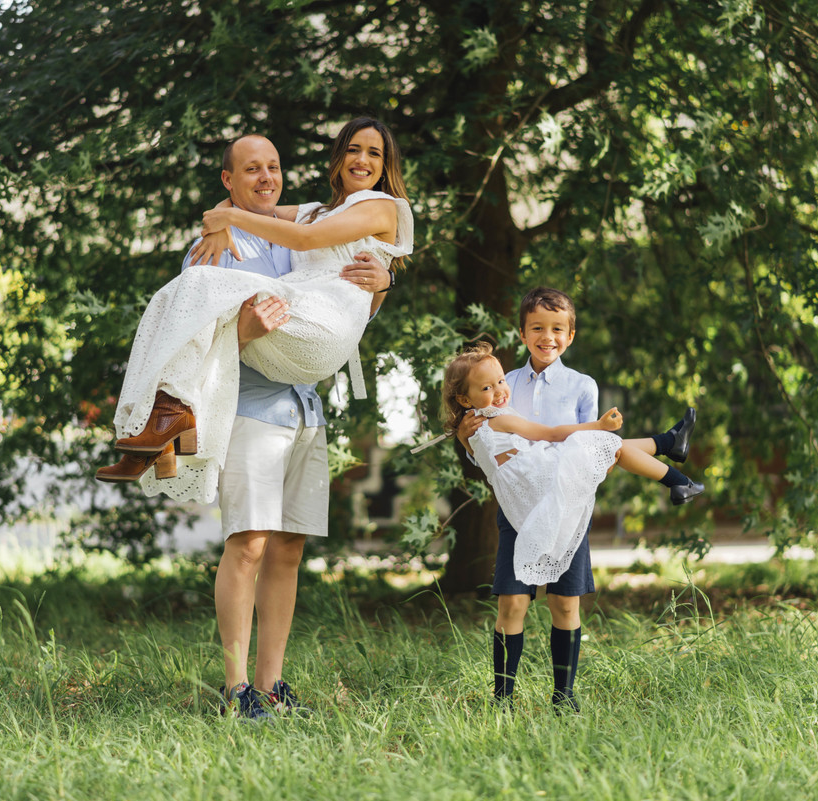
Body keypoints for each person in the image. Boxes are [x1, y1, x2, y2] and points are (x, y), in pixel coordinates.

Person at [104, 127, 405, 720]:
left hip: (305, 409)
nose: (266, 178)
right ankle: (237, 687)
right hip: (248, 408)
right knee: (248, 545)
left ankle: (272, 685)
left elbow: (345, 314)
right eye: (251, 170)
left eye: (273, 167)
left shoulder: (307, 238)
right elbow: (198, 336)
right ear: (228, 181)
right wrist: (246, 331)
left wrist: (384, 283)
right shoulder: (214, 248)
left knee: (289, 548)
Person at [96, 118, 412, 510]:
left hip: (326, 329)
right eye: (353, 149)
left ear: (386, 166)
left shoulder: (378, 205)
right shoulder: (317, 212)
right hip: (288, 362)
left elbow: (303, 240)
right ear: (338, 157)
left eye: (374, 153)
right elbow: (256, 205)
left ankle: (168, 417)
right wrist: (219, 219)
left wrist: (383, 284)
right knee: (188, 288)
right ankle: (166, 420)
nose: (362, 159)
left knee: (195, 285)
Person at [451, 288, 701, 711]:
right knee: (512, 602)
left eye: (556, 329)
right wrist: (469, 437)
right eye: (537, 328)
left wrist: (595, 444)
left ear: (570, 335)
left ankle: (564, 699)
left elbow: (595, 450)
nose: (546, 337)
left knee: (565, 604)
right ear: (522, 333)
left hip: (566, 503)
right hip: (521, 507)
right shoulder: (502, 384)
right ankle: (502, 701)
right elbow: (488, 448)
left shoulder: (581, 386)